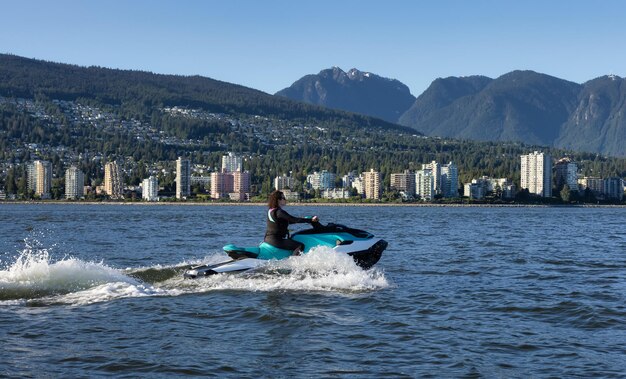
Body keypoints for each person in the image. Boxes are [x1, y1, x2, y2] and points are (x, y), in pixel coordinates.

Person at [264, 190, 319, 255]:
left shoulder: (271, 211)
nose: (285, 200)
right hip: (276, 240)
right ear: (278, 200)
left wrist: (306, 219)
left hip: (268, 239)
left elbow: (287, 221)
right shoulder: (279, 212)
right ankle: (293, 263)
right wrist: (310, 220)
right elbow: (294, 219)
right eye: (283, 198)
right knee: (300, 246)